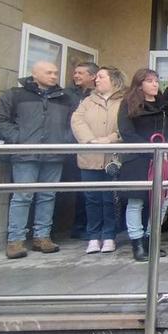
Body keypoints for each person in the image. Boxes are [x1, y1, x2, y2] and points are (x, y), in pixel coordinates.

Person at [0, 61, 75, 259]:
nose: (54, 76)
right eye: (49, 72)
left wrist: (64, 140)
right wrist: (19, 138)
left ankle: (42, 236)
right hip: (25, 153)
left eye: (55, 73)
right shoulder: (15, 95)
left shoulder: (64, 98)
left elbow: (73, 123)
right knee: (22, 196)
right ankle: (15, 240)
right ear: (34, 74)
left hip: (54, 153)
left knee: (48, 195)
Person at [117, 68, 168, 262]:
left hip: (162, 159)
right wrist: (149, 149)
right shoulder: (129, 104)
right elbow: (127, 133)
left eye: (156, 81)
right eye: (150, 81)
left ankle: (151, 239)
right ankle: (137, 243)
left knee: (162, 201)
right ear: (139, 84)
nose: (154, 84)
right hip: (137, 159)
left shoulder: (164, 105)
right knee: (136, 201)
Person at [71, 66, 125, 254]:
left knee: (110, 198)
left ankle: (109, 235)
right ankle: (93, 236)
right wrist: (90, 140)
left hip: (113, 158)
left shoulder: (123, 101)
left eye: (101, 76)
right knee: (91, 198)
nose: (97, 80)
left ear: (114, 80)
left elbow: (126, 125)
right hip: (90, 157)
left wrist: (111, 138)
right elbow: (77, 121)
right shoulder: (87, 101)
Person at [67, 62, 98, 240]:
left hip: (95, 149)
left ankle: (89, 227)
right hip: (71, 147)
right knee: (78, 189)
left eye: (80, 73)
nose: (76, 76)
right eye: (75, 72)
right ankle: (79, 226)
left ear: (92, 76)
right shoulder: (66, 94)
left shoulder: (99, 96)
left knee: (91, 191)